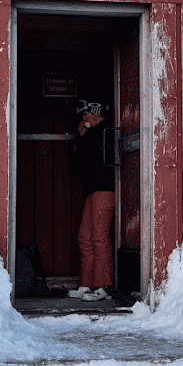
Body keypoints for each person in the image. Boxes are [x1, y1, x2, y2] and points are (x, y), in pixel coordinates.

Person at [68, 100, 115, 301]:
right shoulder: (90, 134)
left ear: (96, 115)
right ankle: (87, 284)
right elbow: (78, 164)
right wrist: (81, 136)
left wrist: (85, 136)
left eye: (85, 115)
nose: (83, 119)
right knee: (85, 238)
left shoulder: (106, 132)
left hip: (104, 190)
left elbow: (94, 159)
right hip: (92, 190)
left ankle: (103, 287)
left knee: (99, 237)